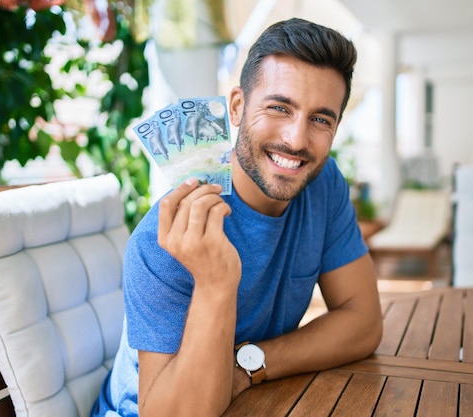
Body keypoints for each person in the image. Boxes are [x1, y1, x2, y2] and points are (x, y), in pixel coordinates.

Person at [91, 17, 383, 417]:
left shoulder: (322, 184)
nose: (297, 140)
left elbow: (363, 322)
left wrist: (250, 365)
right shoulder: (163, 241)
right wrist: (216, 281)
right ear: (237, 107)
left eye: (320, 119)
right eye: (279, 107)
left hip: (257, 399)